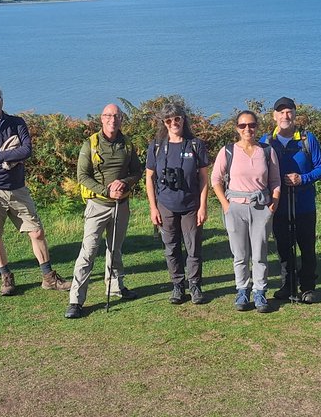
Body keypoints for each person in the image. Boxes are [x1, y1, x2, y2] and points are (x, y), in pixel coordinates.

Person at [0, 86, 71, 296]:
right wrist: (8, 163)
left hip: (17, 189)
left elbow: (26, 150)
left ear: (2, 101)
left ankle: (48, 277)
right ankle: (6, 277)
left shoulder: (17, 123)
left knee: (37, 231)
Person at [64, 104, 144, 318]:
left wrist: (124, 183)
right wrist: (107, 191)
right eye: (108, 115)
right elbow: (82, 176)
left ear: (121, 119)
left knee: (115, 249)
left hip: (121, 206)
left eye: (116, 116)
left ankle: (116, 287)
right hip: (97, 206)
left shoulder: (127, 144)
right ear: (101, 118)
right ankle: (76, 300)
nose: (112, 119)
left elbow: (137, 172)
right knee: (88, 251)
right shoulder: (90, 144)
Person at [212, 110, 281, 313]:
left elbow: (275, 180)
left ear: (257, 127)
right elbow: (215, 179)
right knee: (240, 254)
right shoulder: (228, 151)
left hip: (261, 207)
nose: (247, 129)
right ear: (237, 128)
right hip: (235, 208)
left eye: (251, 125)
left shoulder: (267, 151)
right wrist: (226, 205)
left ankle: (260, 291)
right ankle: (242, 290)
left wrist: (273, 204)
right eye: (242, 125)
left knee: (260, 253)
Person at [261, 96, 321, 303]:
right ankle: (287, 286)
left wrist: (302, 178)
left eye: (289, 112)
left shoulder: (307, 139)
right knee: (283, 247)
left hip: (304, 205)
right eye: (281, 112)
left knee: (307, 247)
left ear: (295, 114)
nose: (285, 116)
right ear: (274, 116)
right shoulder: (266, 141)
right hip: (278, 205)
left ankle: (307, 287)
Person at [145, 101, 211, 304]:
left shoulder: (195, 144)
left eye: (177, 119)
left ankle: (195, 285)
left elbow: (204, 178)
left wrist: (203, 206)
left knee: (193, 248)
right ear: (163, 123)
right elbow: (149, 178)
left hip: (191, 205)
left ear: (183, 120)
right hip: (165, 205)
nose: (173, 123)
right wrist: (153, 207)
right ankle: (177, 286)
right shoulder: (156, 146)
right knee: (171, 248)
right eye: (168, 120)